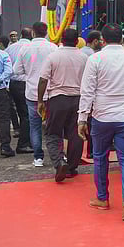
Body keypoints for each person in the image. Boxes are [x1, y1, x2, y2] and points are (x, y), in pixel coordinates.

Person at [79, 23, 124, 221]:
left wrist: (82, 118)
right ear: (123, 39)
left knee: (100, 157)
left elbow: (87, 90)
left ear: (103, 40)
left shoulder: (95, 59)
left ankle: (102, 198)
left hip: (102, 117)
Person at [38, 28, 87, 182]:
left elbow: (43, 79)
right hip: (78, 99)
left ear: (62, 40)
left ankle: (59, 163)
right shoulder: (84, 57)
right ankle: (72, 167)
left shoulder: (53, 56)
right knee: (76, 135)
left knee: (52, 133)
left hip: (57, 99)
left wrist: (40, 100)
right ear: (77, 41)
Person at [13, 22, 57, 167]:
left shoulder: (25, 49)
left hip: (32, 92)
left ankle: (38, 157)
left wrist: (30, 75)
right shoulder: (53, 48)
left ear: (33, 33)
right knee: (54, 125)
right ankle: (57, 155)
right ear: (46, 32)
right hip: (51, 92)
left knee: (35, 126)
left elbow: (17, 70)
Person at [5, 28, 33, 152]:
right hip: (27, 82)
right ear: (31, 35)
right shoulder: (32, 47)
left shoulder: (10, 48)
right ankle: (24, 143)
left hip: (14, 83)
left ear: (21, 35)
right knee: (28, 114)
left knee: (22, 113)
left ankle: (25, 139)